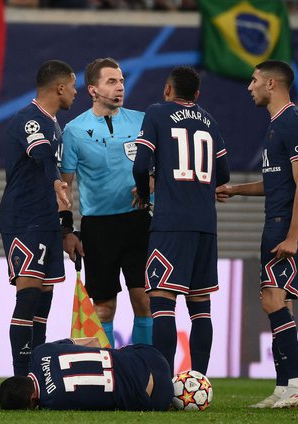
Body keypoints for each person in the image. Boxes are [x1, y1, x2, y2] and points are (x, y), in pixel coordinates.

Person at [215, 60, 298, 409]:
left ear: (272, 83)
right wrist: (236, 189)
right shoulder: (277, 125)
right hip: (277, 220)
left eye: (254, 80)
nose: (249, 86)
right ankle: (285, 386)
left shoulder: (294, 121)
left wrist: (292, 236)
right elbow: (277, 182)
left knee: (272, 301)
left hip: (286, 224)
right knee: (278, 303)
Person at [133, 66, 230, 376]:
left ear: (167, 89)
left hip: (171, 222)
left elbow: (140, 164)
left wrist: (146, 193)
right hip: (206, 225)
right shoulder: (211, 122)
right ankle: (199, 381)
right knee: (200, 307)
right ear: (197, 95)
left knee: (162, 301)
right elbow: (223, 175)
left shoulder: (157, 113)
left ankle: (162, 382)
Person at [60, 57, 152, 348]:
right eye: (111, 81)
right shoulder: (74, 130)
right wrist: (67, 230)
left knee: (145, 302)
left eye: (122, 80)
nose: (120, 87)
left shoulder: (143, 121)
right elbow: (64, 185)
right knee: (104, 307)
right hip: (99, 227)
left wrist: (151, 183)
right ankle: (107, 378)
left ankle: (145, 374)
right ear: (92, 89)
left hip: (140, 221)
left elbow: (162, 168)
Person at [0, 60, 76, 377]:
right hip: (24, 218)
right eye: (73, 86)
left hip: (45, 221)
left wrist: (66, 228)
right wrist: (56, 181)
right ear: (59, 87)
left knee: (43, 306)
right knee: (28, 297)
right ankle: (20, 379)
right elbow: (41, 154)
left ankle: (35, 377)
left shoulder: (55, 124)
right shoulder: (30, 120)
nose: (75, 93)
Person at [0, 337, 173, 411]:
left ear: (31, 401)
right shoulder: (40, 352)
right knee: (120, 353)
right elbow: (92, 340)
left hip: (155, 397)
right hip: (153, 357)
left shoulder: (52, 402)